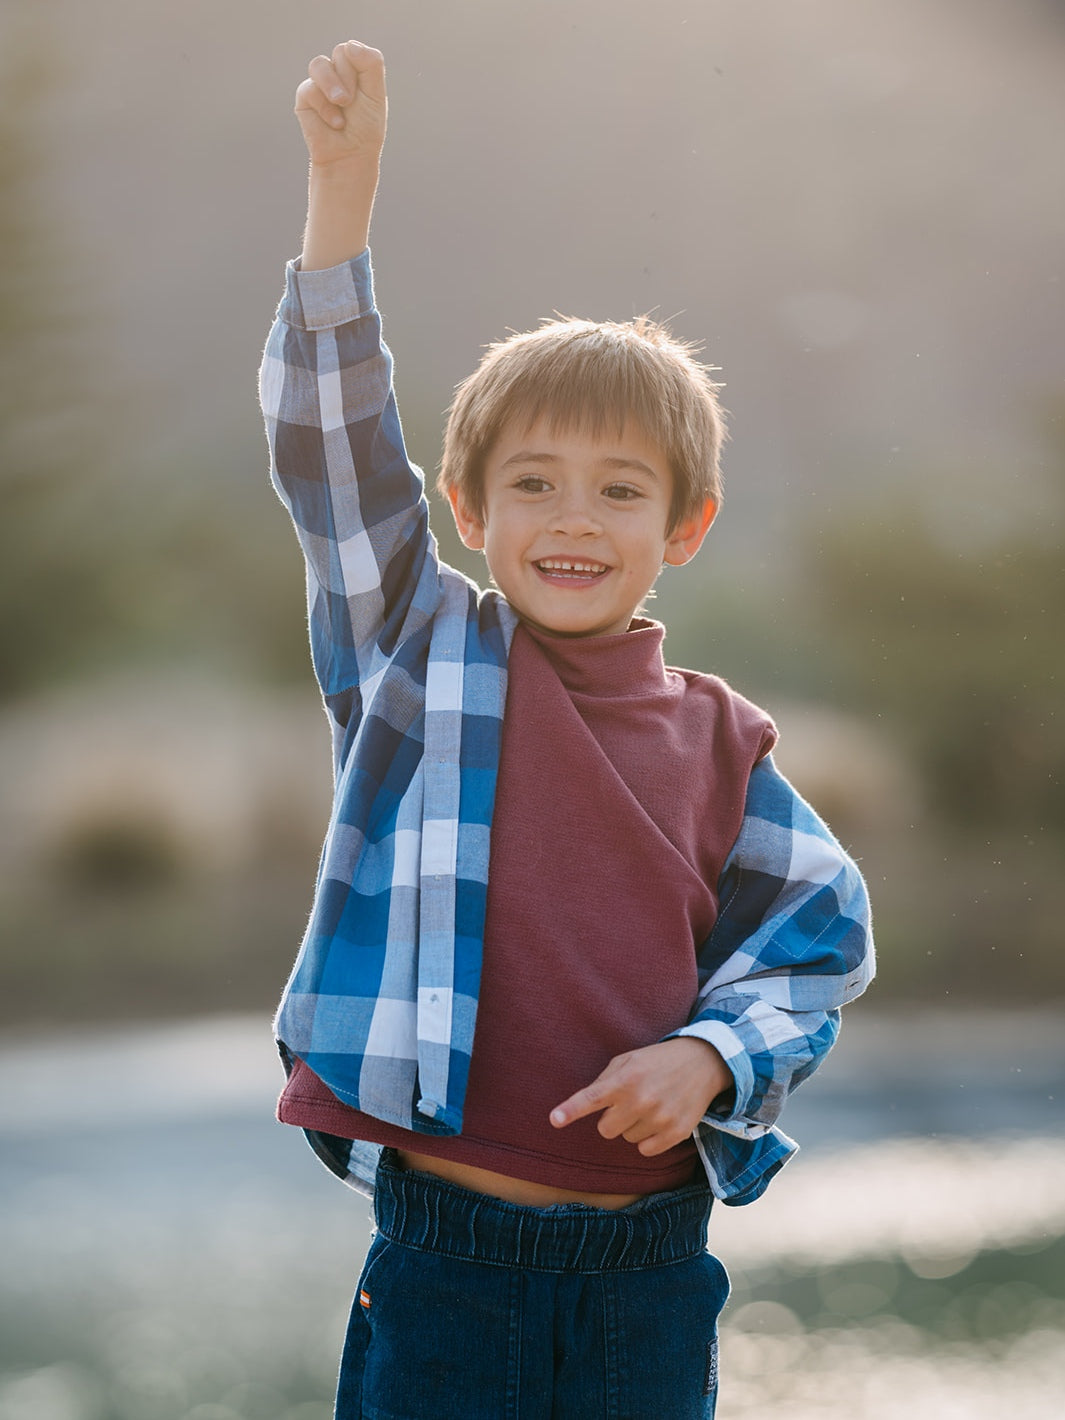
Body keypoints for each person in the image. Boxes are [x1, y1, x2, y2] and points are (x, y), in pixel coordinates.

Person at [259, 39, 874, 1420]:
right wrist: (340, 195)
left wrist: (713, 1055)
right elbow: (333, 462)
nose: (574, 520)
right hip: (445, 1265)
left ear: (684, 526)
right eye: (531, 484)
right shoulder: (420, 658)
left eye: (617, 490)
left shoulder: (724, 743)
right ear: (471, 513)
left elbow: (817, 943)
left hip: (648, 1277)